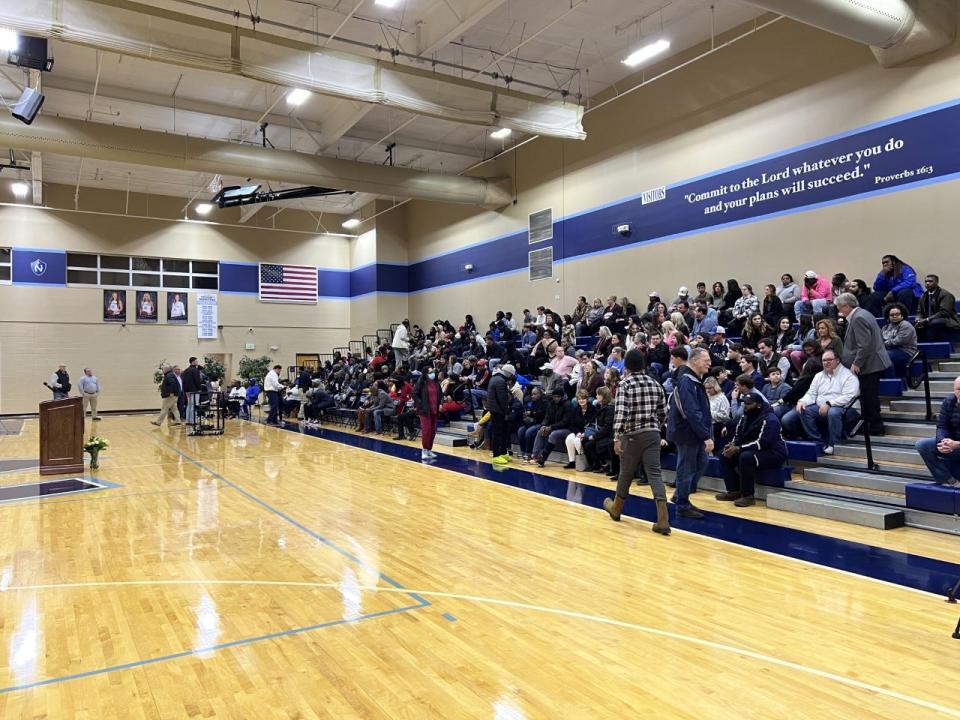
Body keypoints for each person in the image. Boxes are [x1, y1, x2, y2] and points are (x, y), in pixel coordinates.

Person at [602, 349, 671, 535]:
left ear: (627, 366)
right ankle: (663, 519)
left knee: (626, 473)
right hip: (653, 434)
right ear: (643, 365)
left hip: (631, 435)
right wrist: (654, 425)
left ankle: (617, 508)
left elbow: (621, 414)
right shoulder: (655, 384)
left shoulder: (626, 384)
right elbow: (664, 412)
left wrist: (617, 437)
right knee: (655, 475)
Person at [716, 393, 788, 507]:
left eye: (749, 404)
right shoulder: (745, 416)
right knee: (723, 453)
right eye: (744, 403)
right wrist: (733, 444)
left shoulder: (770, 419)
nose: (745, 406)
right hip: (753, 449)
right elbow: (738, 434)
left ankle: (748, 496)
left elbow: (762, 443)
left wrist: (739, 448)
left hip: (774, 453)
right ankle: (734, 491)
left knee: (746, 457)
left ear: (758, 405)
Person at [666, 346, 713, 519]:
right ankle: (683, 504)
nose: (709, 363)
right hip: (686, 431)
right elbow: (691, 411)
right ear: (694, 361)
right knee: (686, 467)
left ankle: (680, 494)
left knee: (701, 462)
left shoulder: (693, 379)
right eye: (705, 360)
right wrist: (706, 435)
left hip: (694, 431)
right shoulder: (686, 380)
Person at [781, 350, 859, 454]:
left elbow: (849, 396)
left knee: (833, 412)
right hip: (822, 406)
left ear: (837, 360)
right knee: (804, 410)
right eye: (824, 360)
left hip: (848, 408)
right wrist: (802, 401)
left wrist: (829, 403)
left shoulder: (848, 375)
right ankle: (818, 442)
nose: (826, 362)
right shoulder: (819, 376)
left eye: (829, 360)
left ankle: (835, 444)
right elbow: (811, 393)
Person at [835, 292, 890, 436]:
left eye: (840, 308)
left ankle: (876, 427)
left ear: (847, 306)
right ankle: (868, 424)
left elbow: (864, 344)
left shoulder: (858, 318)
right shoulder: (864, 313)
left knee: (869, 397)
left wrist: (857, 363)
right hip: (871, 362)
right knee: (868, 396)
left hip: (869, 365)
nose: (839, 311)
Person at [915, 377, 960, 486]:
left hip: (957, 445)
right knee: (922, 445)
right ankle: (949, 481)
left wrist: (957, 444)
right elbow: (942, 426)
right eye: (958, 389)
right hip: (952, 443)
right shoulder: (949, 402)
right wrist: (944, 441)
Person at [916, 274, 960, 341]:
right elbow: (919, 311)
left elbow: (945, 313)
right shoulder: (923, 296)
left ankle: (936, 346)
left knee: (934, 323)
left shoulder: (945, 295)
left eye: (930, 281)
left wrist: (927, 320)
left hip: (947, 320)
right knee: (912, 325)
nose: (927, 283)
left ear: (937, 282)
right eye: (926, 281)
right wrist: (918, 319)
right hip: (929, 320)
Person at [487, 363, 514, 464]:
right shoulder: (501, 381)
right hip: (498, 411)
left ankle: (503, 453)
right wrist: (507, 411)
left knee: (502, 432)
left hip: (495, 409)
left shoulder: (495, 378)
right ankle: (496, 455)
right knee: (498, 433)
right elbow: (502, 399)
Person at [413, 363, 442, 461]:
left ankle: (429, 449)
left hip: (434, 410)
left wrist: (441, 403)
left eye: (433, 372)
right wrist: (420, 403)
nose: (432, 373)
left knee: (433, 430)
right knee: (427, 430)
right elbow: (414, 394)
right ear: (425, 373)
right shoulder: (421, 383)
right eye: (430, 372)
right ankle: (424, 450)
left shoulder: (436, 383)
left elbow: (440, 395)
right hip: (424, 410)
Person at [881, 303, 918, 377]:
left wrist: (884, 344)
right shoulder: (885, 327)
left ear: (902, 315)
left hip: (906, 351)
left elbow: (899, 341)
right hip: (892, 350)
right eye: (892, 315)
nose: (895, 316)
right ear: (888, 316)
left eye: (897, 314)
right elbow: (880, 340)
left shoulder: (905, 325)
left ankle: (892, 382)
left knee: (884, 356)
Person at [181, 357, 204, 424]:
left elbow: (183, 382)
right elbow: (197, 381)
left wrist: (186, 391)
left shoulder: (185, 370)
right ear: (193, 362)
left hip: (187, 391)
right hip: (195, 391)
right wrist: (199, 389)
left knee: (189, 405)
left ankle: (188, 420)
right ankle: (193, 420)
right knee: (194, 405)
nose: (197, 362)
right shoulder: (195, 370)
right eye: (196, 361)